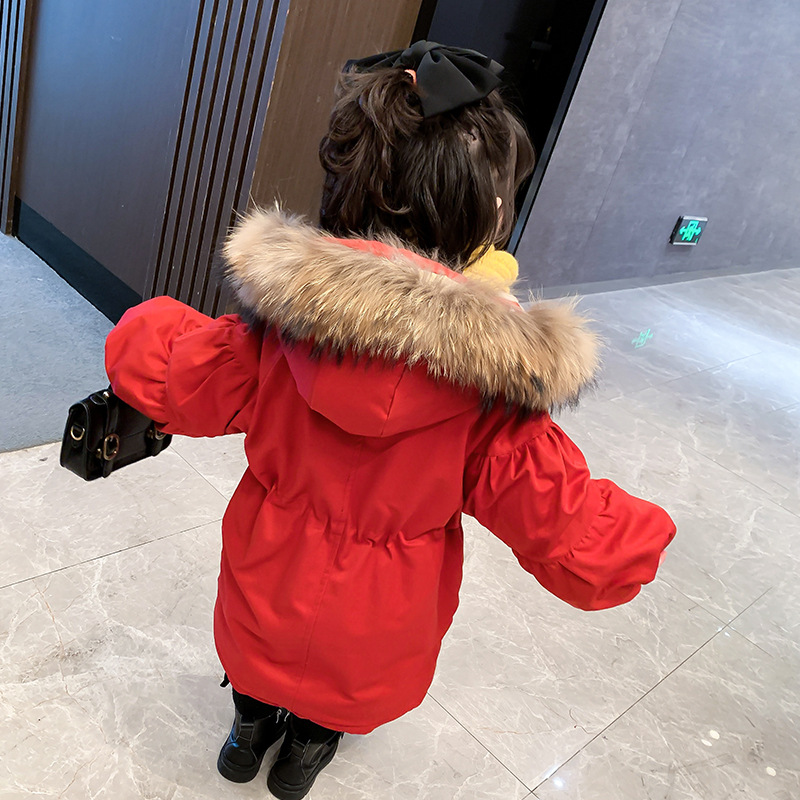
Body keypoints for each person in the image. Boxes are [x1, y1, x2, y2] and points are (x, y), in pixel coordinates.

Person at [105, 41, 676, 800]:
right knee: (345, 684)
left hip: (271, 563)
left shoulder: (274, 337)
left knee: (258, 650)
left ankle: (247, 732)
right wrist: (630, 537)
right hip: (386, 603)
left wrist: (144, 334)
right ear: (484, 220)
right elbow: (561, 517)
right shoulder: (493, 398)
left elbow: (174, 369)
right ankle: (307, 750)